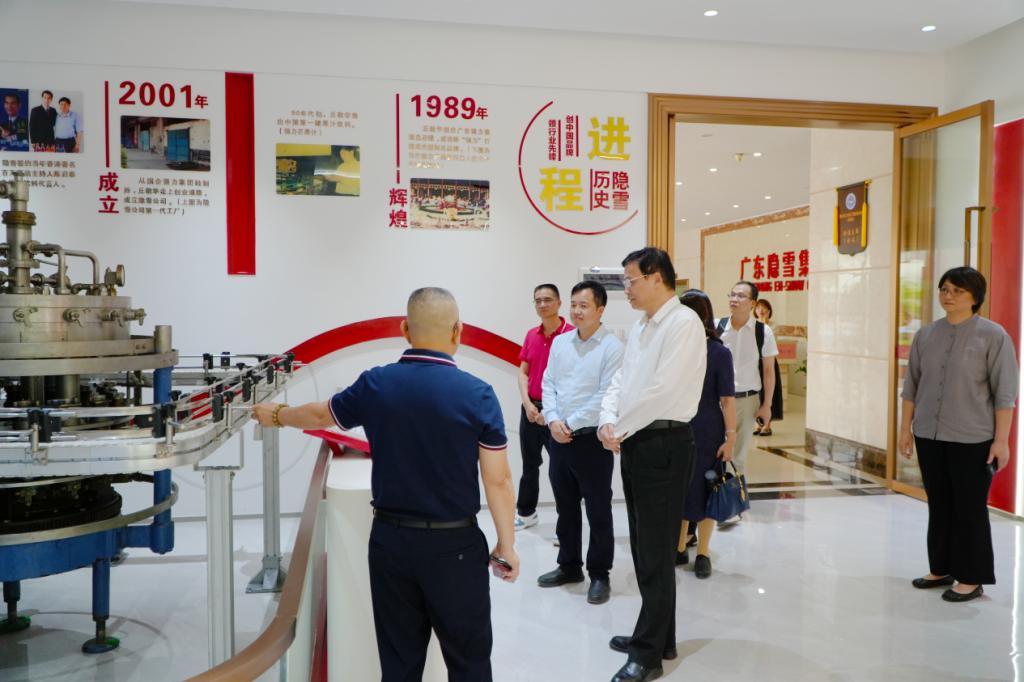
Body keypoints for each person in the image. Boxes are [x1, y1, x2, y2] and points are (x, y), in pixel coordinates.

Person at [252, 287, 520, 680]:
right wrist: (506, 544)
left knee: (399, 665)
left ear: (405, 329)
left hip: (391, 544)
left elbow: (320, 415)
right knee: (470, 663)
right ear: (457, 331)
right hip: (456, 547)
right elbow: (498, 480)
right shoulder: (477, 394)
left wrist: (277, 414)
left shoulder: (376, 384)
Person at [598, 247, 706, 682]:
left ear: (656, 277)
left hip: (663, 441)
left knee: (657, 551)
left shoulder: (683, 323)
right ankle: (662, 637)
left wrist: (619, 427)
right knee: (646, 545)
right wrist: (608, 420)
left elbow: (664, 391)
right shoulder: (643, 325)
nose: (626, 288)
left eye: (631, 280)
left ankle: (648, 655)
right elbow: (621, 380)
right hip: (637, 439)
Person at [898, 267, 1018, 603]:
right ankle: (941, 568)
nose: (948, 296)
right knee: (939, 504)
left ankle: (971, 577)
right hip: (929, 434)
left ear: (975, 297)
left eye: (957, 291)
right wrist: (905, 429)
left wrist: (1001, 441)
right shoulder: (926, 335)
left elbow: (1005, 394)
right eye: (944, 289)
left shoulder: (994, 336)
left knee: (969, 508)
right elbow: (912, 386)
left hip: (973, 437)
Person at [537, 281, 623, 604]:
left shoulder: (612, 347)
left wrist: (569, 423)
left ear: (600, 309)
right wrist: (552, 419)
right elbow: (548, 383)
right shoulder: (561, 343)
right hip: (559, 438)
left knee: (598, 509)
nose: (576, 311)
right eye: (573, 305)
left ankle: (599, 573)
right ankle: (569, 565)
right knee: (566, 506)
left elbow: (606, 395)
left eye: (583, 305)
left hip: (591, 441)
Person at [676, 289, 736, 579]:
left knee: (707, 488)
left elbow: (728, 400)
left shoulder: (719, 352)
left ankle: (703, 552)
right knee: (680, 489)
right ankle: (679, 547)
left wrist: (731, 438)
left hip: (709, 429)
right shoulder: (674, 349)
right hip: (677, 427)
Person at [515, 283, 573, 531]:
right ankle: (526, 513)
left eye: (547, 300)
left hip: (558, 414)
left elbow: (575, 379)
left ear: (559, 303)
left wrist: (549, 413)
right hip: (530, 410)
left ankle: (566, 523)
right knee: (529, 466)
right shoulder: (531, 335)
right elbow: (523, 373)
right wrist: (527, 404)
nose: (542, 304)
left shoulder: (572, 335)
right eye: (537, 300)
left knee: (561, 470)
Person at [716, 281, 778, 485]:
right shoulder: (717, 327)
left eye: (741, 296)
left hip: (748, 400)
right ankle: (714, 498)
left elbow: (769, 372)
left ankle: (733, 498)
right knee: (715, 450)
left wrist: (767, 405)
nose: (734, 299)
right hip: (717, 400)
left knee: (738, 456)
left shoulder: (763, 332)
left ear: (752, 303)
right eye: (732, 295)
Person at [751, 298, 783, 435]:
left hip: (769, 363)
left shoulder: (773, 326)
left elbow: (769, 342)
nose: (761, 310)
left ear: (769, 310)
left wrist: (763, 322)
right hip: (756, 363)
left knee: (769, 394)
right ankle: (758, 424)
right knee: (757, 395)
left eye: (764, 307)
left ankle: (767, 426)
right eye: (758, 308)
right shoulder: (752, 324)